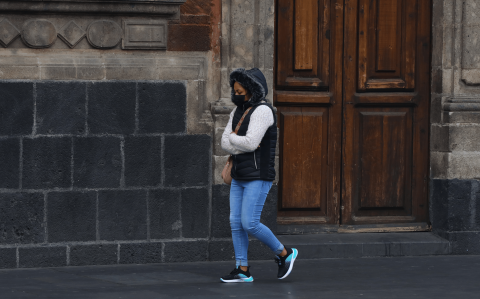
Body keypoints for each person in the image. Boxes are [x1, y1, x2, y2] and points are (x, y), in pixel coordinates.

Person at [220, 67, 298, 283]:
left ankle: (285, 253)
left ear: (251, 89)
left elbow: (251, 142)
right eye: (234, 90)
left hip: (258, 175)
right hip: (238, 175)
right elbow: (223, 142)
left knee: (249, 222)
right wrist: (238, 141)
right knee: (236, 222)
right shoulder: (236, 112)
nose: (236, 94)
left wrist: (234, 138)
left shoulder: (263, 111)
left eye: (240, 90)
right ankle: (242, 269)